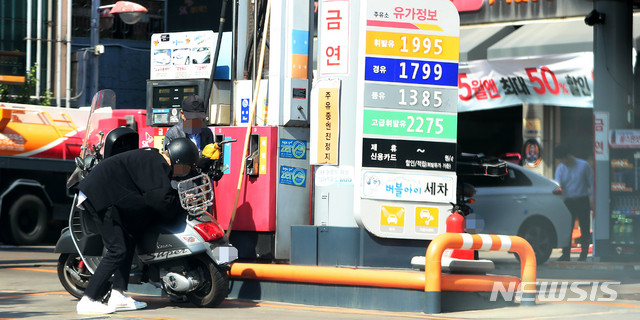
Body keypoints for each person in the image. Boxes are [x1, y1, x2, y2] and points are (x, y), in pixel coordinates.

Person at [75, 138, 199, 315]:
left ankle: (117, 295)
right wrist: (182, 204)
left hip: (107, 193)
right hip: (101, 195)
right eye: (187, 168)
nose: (184, 173)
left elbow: (157, 194)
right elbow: (161, 201)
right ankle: (88, 300)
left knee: (129, 237)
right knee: (117, 250)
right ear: (179, 160)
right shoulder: (159, 165)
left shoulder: (154, 161)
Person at [554, 144, 593, 262]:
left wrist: (593, 200)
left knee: (585, 229)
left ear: (569, 156)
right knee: (567, 228)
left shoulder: (584, 166)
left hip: (583, 199)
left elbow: (592, 183)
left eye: (563, 159)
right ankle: (566, 254)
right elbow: (558, 184)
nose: (562, 162)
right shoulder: (560, 168)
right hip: (568, 201)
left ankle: (584, 255)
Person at [163, 94, 214, 158]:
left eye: (198, 119)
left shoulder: (207, 133)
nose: (195, 122)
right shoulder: (173, 133)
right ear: (182, 114)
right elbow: (167, 159)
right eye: (191, 119)